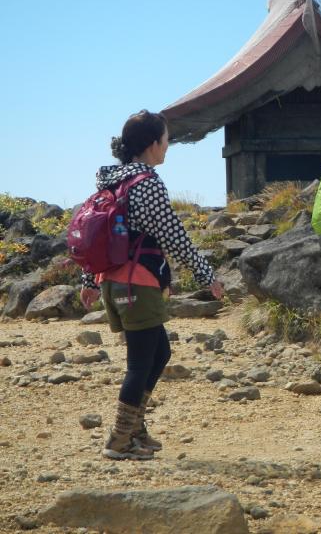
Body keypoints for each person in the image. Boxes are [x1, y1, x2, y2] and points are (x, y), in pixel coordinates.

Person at [80, 110, 224, 459]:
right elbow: (174, 236)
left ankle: (135, 427)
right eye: (166, 140)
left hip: (115, 284)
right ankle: (118, 439)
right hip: (138, 285)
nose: (167, 147)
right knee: (140, 363)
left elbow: (92, 235)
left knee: (160, 352)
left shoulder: (111, 181)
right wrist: (208, 277)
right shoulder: (147, 183)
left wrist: (89, 280)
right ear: (152, 144)